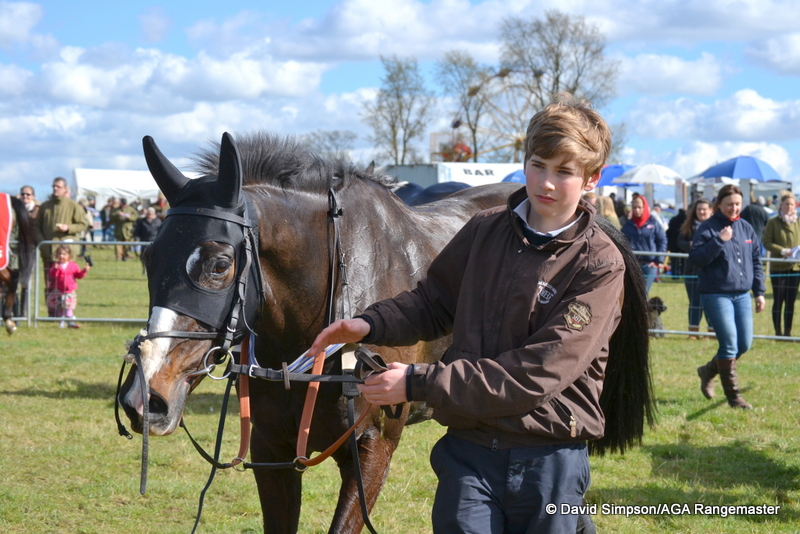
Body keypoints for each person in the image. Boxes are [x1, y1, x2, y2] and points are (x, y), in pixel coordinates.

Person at [309, 95, 631, 533]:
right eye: (538, 164)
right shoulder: (483, 230)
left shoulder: (600, 264)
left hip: (549, 458)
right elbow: (433, 302)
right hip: (470, 451)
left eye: (564, 172)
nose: (547, 182)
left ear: (592, 179)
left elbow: (538, 372)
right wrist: (368, 323)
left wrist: (417, 383)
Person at [691, 184, 765, 410]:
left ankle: (708, 370)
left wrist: (759, 292)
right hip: (716, 295)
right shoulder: (707, 228)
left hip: (742, 295)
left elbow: (756, 262)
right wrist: (719, 240)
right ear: (719, 205)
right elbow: (697, 258)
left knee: (744, 344)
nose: (734, 208)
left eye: (737, 204)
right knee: (730, 344)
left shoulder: (746, 228)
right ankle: (734, 397)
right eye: (729, 204)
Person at [33, 177, 88, 292]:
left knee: (65, 285)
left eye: (58, 186)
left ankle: (66, 309)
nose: (55, 188)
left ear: (65, 189)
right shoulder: (45, 206)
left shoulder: (74, 206)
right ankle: (51, 310)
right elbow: (35, 227)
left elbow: (83, 224)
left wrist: (68, 228)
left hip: (66, 255)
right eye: (53, 186)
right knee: (49, 286)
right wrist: (42, 243)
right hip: (48, 253)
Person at [762, 193, 800, 337]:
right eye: (786, 204)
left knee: (790, 301)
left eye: (792, 204)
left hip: (795, 268)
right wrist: (782, 251)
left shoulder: (798, 222)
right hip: (779, 267)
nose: (789, 207)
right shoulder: (773, 222)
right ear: (781, 206)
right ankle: (777, 331)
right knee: (779, 300)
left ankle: (788, 332)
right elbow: (767, 242)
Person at [677, 198, 712, 338]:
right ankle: (693, 331)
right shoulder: (688, 226)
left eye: (704, 209)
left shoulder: (715, 226)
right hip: (691, 270)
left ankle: (712, 331)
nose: (702, 212)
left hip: (711, 271)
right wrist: (690, 245)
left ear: (710, 210)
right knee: (694, 301)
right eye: (699, 209)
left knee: (710, 301)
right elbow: (679, 241)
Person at [622, 195, 667, 293]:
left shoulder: (654, 223)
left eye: (639, 207)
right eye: (634, 208)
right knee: (632, 293)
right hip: (633, 264)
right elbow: (622, 243)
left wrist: (658, 260)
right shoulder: (627, 225)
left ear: (645, 207)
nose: (637, 210)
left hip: (649, 265)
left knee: (643, 293)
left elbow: (662, 241)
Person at [46, 244, 90, 328]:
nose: (61, 256)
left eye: (64, 254)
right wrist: (55, 269)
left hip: (69, 290)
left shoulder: (73, 266)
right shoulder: (56, 265)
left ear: (69, 255)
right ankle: (61, 322)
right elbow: (52, 275)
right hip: (59, 290)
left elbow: (79, 275)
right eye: (59, 254)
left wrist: (84, 271)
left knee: (68, 306)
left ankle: (70, 322)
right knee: (60, 307)